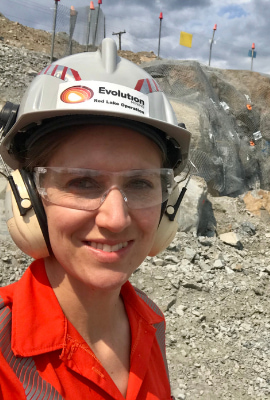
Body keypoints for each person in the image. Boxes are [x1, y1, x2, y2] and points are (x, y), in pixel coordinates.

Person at [0, 38, 191, 400]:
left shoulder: (150, 321)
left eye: (140, 183)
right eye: (82, 182)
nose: (116, 219)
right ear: (27, 197)